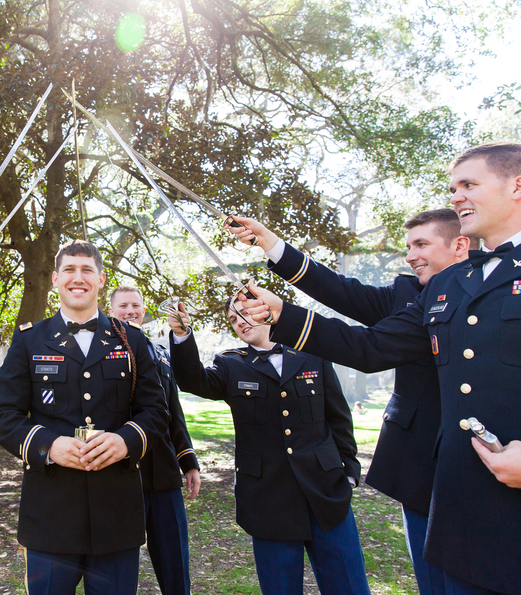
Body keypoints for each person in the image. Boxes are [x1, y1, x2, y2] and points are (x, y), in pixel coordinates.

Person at [237, 142, 521, 595]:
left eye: (469, 184)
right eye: (453, 188)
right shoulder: (449, 284)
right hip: (454, 495)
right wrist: (281, 315)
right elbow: (370, 347)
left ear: (516, 186)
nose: (457, 197)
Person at [226, 209, 472, 595]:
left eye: (422, 244)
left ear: (460, 246)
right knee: (433, 579)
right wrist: (270, 243)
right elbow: (340, 292)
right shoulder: (408, 295)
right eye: (408, 246)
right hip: (419, 461)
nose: (409, 256)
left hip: (483, 460)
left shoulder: (493, 287)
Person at [0, 240, 169, 595]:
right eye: (69, 269)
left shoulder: (131, 339)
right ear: (55, 279)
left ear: (101, 280)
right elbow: (1, 416)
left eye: (87, 270)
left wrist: (125, 440)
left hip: (116, 512)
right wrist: (48, 446)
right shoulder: (29, 340)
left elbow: (157, 411)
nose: (78, 277)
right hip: (51, 513)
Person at [166, 298, 370, 595]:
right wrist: (182, 336)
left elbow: (338, 416)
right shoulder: (230, 363)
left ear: (266, 311)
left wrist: (349, 473)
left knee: (349, 585)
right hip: (267, 498)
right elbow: (193, 380)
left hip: (326, 491)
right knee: (280, 588)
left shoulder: (312, 353)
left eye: (245, 313)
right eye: (234, 321)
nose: (241, 322)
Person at [108, 286, 200, 595]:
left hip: (162, 474)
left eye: (136, 304)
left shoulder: (159, 352)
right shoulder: (99, 349)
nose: (130, 310)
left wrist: (188, 461)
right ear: (111, 311)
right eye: (123, 306)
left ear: (144, 310)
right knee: (117, 572)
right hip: (119, 473)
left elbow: (173, 411)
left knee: (175, 565)